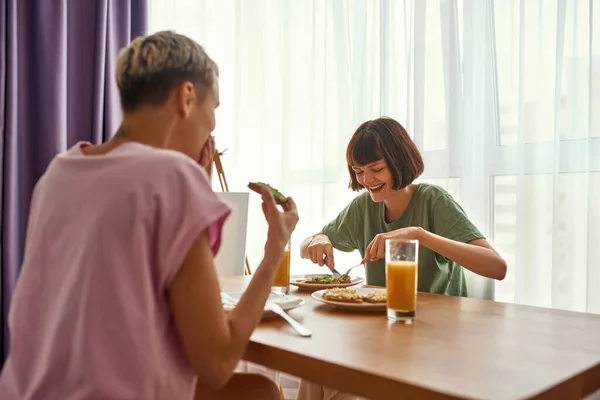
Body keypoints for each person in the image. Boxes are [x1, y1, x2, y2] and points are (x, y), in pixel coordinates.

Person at [0, 31, 298, 400]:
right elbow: (217, 363)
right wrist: (274, 250)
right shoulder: (172, 180)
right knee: (262, 394)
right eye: (214, 108)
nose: (213, 127)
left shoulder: (59, 173)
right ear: (187, 97)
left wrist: (192, 180)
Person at [297, 117, 506, 399]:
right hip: (381, 337)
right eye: (359, 171)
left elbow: (497, 266)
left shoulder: (433, 201)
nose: (367, 180)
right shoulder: (363, 207)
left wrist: (419, 236)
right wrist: (318, 238)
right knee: (312, 371)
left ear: (398, 161)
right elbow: (305, 246)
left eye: (376, 169)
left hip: (433, 340)